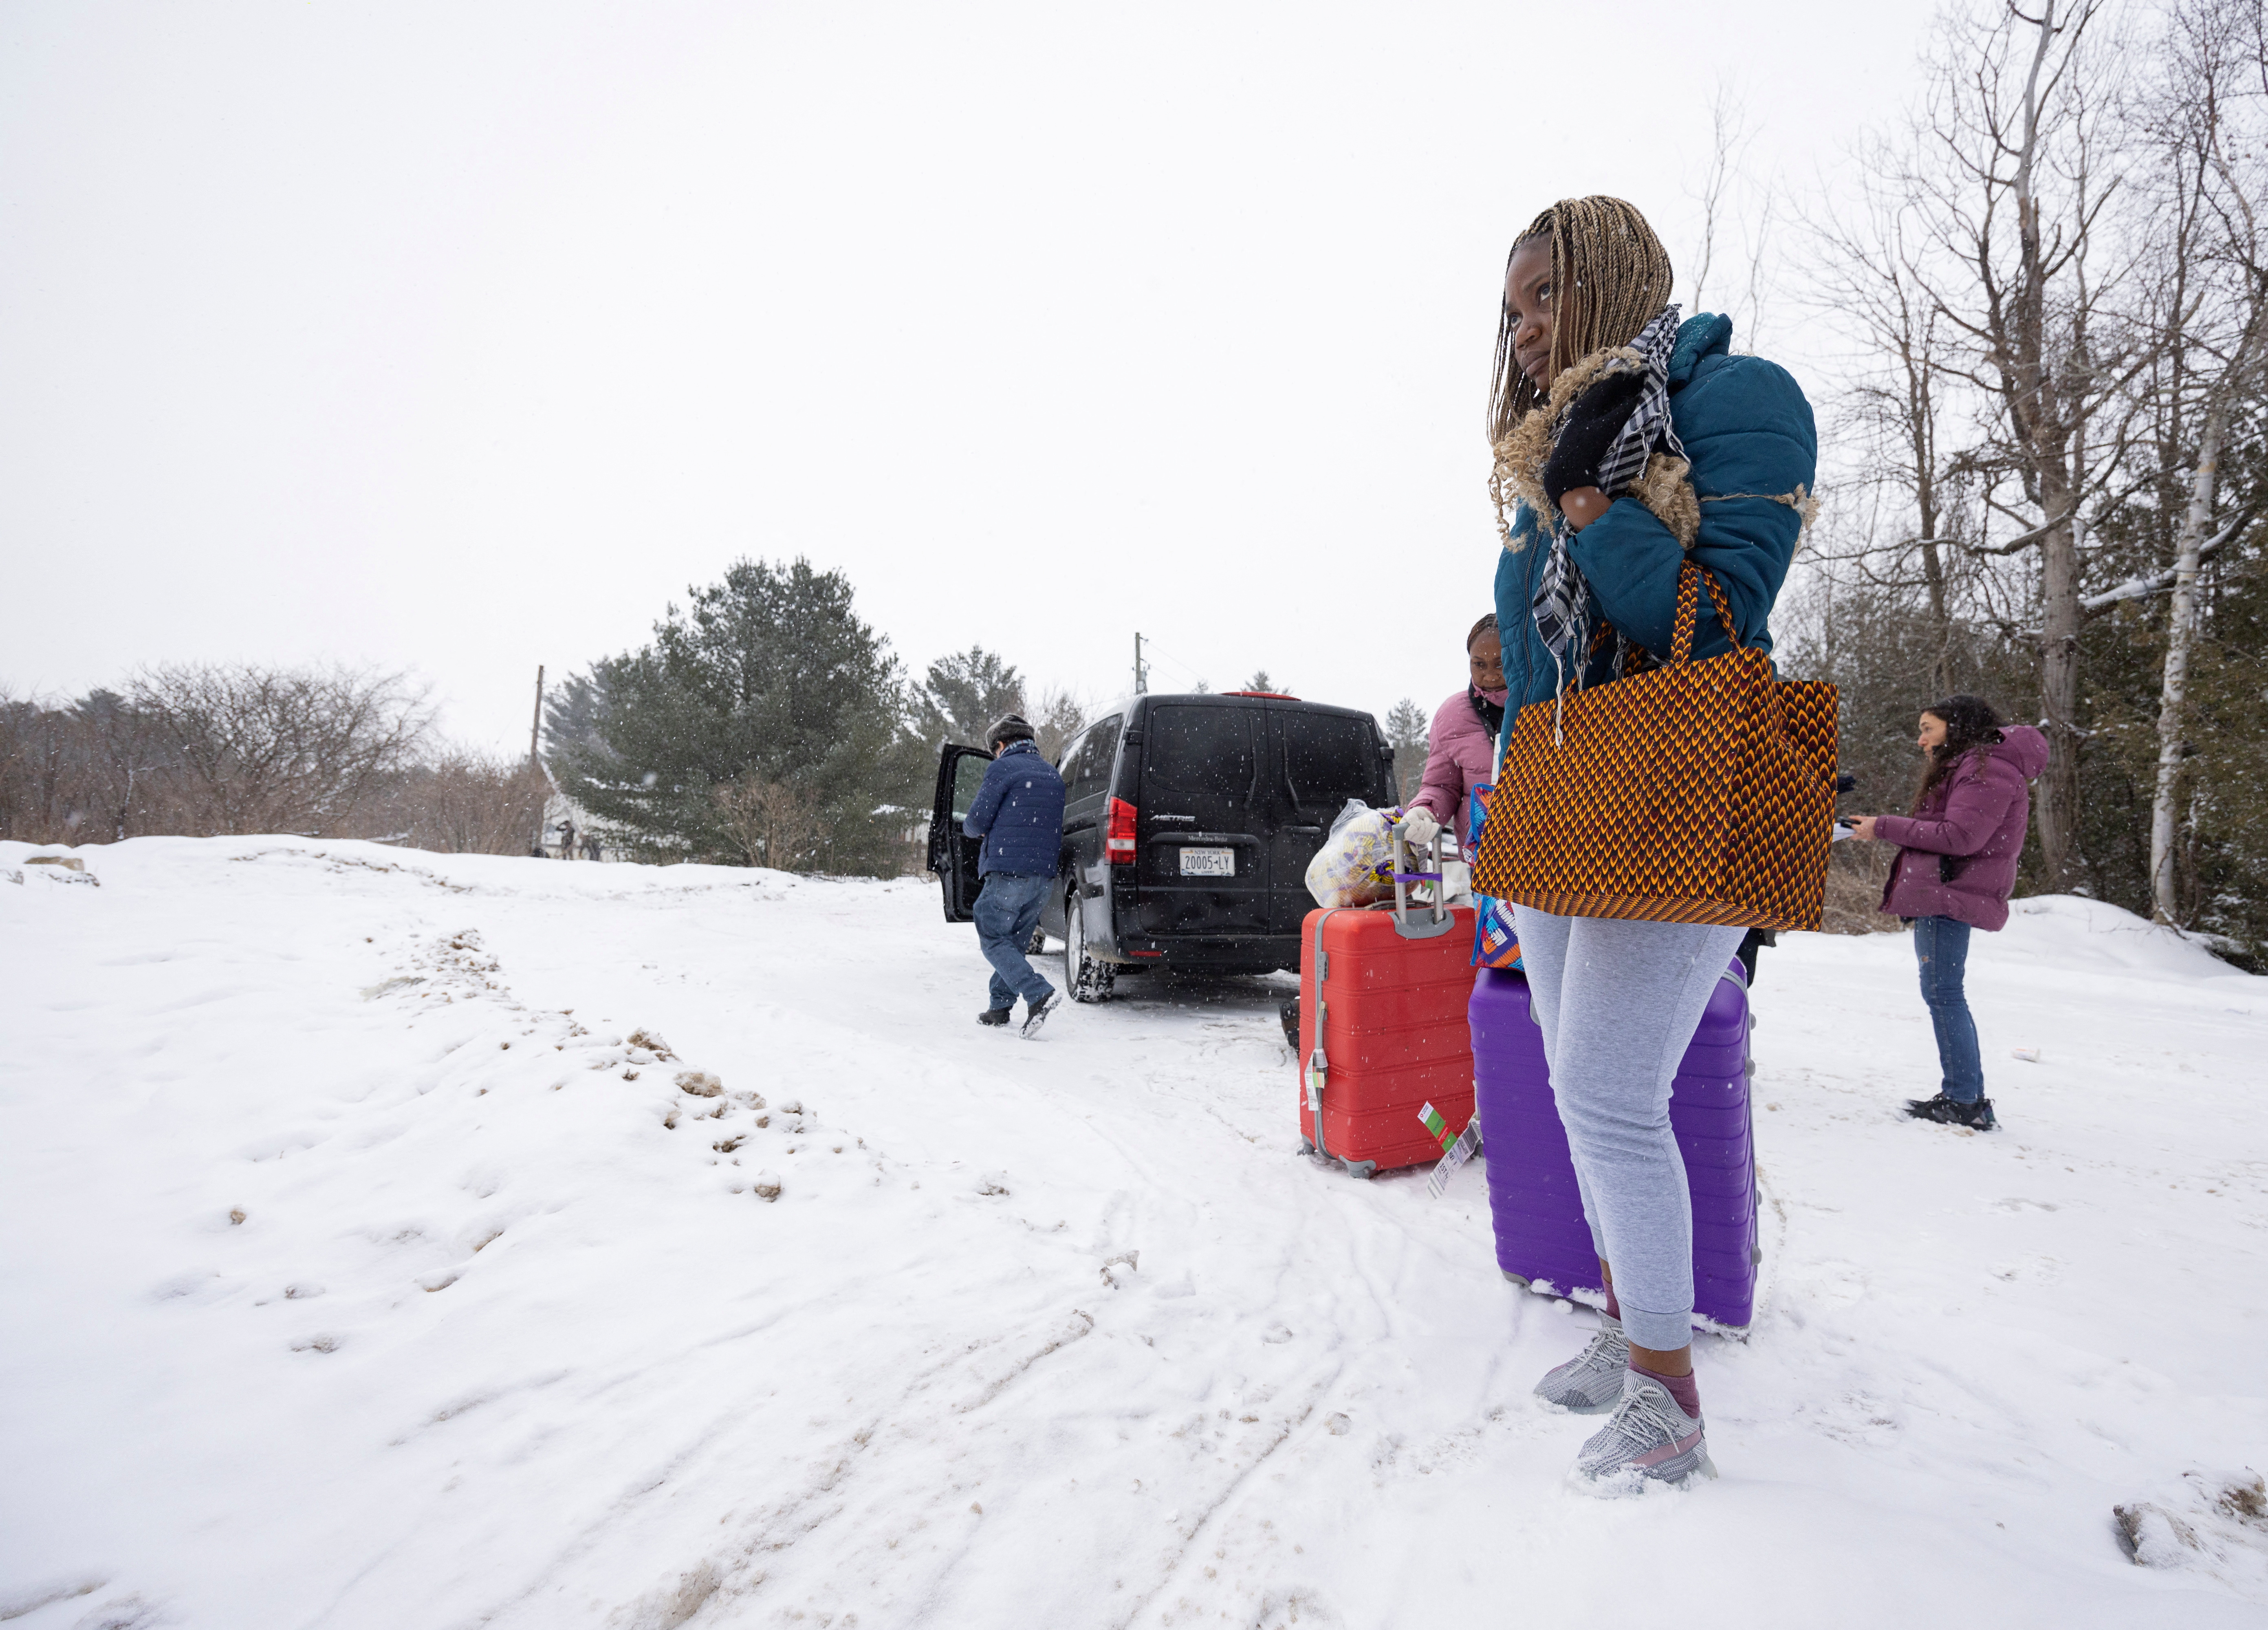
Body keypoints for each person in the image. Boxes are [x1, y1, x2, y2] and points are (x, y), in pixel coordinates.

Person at [1484, 197, 1817, 1490]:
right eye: (1507, 311)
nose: (1517, 332)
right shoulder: (1541, 448)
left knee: (1616, 1096)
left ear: (1611, 281)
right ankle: (1632, 1334)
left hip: (1680, 783)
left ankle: (1668, 1402)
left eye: (1538, 299)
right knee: (1579, 1089)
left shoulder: (1736, 399)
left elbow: (1719, 621)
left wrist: (1586, 496)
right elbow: (1531, 659)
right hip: (1567, 799)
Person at [1847, 695, 2046, 1132]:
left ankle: (1964, 1101)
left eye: (1927, 729)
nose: (1921, 741)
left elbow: (1960, 837)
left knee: (1944, 993)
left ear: (1955, 728)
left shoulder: (1985, 769)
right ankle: (1963, 1096)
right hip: (1947, 889)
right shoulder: (1973, 766)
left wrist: (1883, 826)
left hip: (1949, 891)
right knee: (1943, 992)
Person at [962, 714, 1067, 1037]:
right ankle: (1000, 1007)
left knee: (992, 935)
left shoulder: (1003, 768)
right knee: (1014, 942)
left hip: (1010, 870)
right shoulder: (1052, 775)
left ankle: (1038, 993)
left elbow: (977, 822)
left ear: (1002, 744)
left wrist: (969, 830)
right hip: (1044, 876)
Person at [1399, 614, 1508, 852]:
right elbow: (1442, 785)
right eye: (1479, 664)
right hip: (1484, 853)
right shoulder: (1453, 716)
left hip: (1546, 850)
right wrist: (1425, 811)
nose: (1490, 675)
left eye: (1500, 663)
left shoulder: (1546, 703)